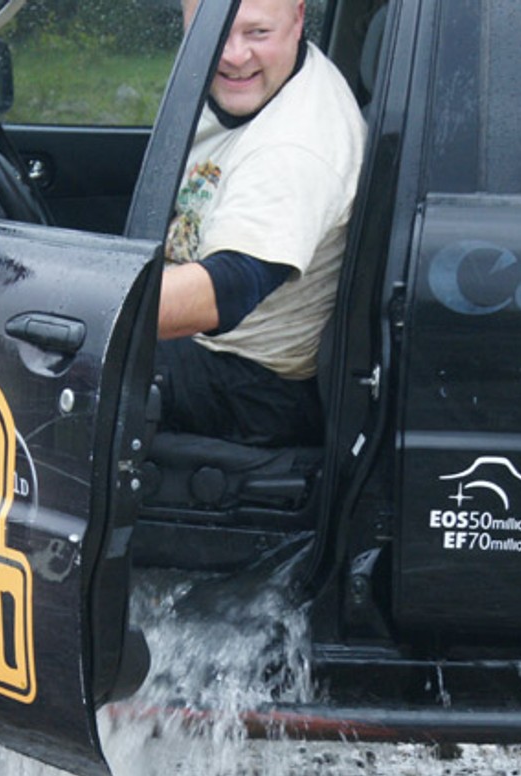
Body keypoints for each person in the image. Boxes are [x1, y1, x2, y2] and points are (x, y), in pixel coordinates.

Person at [156, 0, 366, 447]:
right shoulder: (270, 78)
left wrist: (89, 306)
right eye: (214, 33)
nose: (233, 55)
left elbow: (230, 287)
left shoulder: (295, 148)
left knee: (49, 362)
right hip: (219, 357)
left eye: (257, 34)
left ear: (299, 19)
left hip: (252, 385)